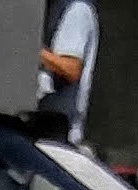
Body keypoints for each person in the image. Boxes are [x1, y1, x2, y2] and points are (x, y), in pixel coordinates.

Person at [33, 0, 98, 145]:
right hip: (39, 127)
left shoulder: (75, 10)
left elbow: (70, 69)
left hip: (60, 135)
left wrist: (31, 48)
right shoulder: (48, 9)